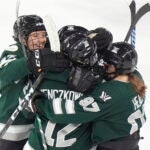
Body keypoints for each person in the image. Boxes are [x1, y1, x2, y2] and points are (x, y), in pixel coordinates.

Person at [24, 41, 146, 150]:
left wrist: (39, 104)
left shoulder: (110, 95)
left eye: (108, 65)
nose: (104, 67)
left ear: (119, 68)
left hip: (112, 146)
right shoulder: (136, 78)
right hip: (131, 141)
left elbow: (74, 110)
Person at [0, 14, 68, 150]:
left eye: (43, 35)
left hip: (36, 121)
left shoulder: (46, 52)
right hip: (11, 124)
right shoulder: (15, 50)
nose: (41, 40)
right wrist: (34, 61)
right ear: (23, 39)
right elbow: (4, 74)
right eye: (35, 36)